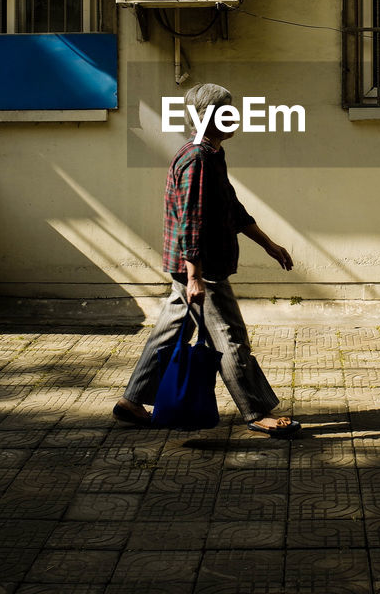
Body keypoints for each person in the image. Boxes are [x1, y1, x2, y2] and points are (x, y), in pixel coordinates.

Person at [114, 83, 301, 436]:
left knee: (171, 331)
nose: (234, 117)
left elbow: (231, 207)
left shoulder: (212, 154)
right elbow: (191, 221)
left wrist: (268, 244)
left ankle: (132, 401)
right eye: (224, 111)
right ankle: (256, 411)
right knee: (229, 336)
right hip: (203, 267)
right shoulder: (197, 159)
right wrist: (196, 276)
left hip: (192, 266)